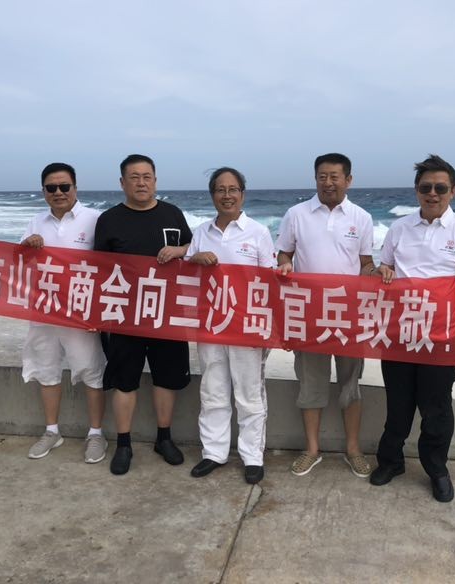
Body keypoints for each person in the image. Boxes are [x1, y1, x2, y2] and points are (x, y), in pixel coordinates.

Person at [369, 154, 455, 503]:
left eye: (440, 188)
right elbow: (383, 270)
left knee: (436, 409)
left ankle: (437, 470)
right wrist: (382, 272)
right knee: (398, 404)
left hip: (442, 335)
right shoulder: (399, 228)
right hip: (399, 332)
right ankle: (391, 462)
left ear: (453, 191)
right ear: (417, 190)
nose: (433, 193)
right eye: (426, 187)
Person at [276, 152, 381, 478]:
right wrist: (284, 265)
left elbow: (365, 263)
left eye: (335, 176)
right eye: (322, 176)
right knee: (311, 386)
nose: (328, 182)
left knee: (351, 386)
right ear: (315, 179)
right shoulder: (296, 214)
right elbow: (283, 254)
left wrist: (377, 273)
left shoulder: (362, 217)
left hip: (349, 316)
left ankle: (354, 450)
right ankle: (311, 450)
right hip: (309, 316)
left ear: (348, 180)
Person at [94, 154, 193, 475]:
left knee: (167, 378)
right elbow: (99, 270)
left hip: (168, 312)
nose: (141, 182)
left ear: (155, 180)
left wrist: (180, 250)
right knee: (125, 382)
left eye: (147, 176)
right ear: (122, 183)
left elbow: (195, 248)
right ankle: (123, 444)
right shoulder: (109, 219)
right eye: (134, 177)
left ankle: (164, 438)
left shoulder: (172, 213)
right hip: (125, 317)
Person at [186, 167, 275, 484]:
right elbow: (186, 273)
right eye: (220, 190)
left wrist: (266, 327)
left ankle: (252, 457)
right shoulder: (201, 232)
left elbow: (269, 281)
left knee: (249, 394)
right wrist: (194, 258)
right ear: (213, 195)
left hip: (246, 326)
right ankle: (214, 452)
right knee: (213, 390)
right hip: (210, 323)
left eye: (233, 189)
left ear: (242, 194)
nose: (227, 195)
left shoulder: (258, 232)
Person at [21, 163, 108, 463]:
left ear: (75, 187)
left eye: (64, 186)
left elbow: (109, 266)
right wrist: (27, 248)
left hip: (82, 312)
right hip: (44, 309)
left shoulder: (94, 219)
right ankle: (51, 431)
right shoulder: (35, 222)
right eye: (51, 188)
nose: (58, 192)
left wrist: (100, 311)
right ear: (43, 191)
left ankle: (96, 434)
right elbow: (18, 263)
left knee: (91, 371)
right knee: (46, 370)